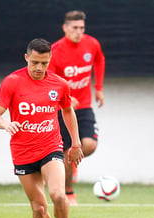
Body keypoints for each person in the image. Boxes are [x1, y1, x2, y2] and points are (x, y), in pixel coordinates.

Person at [0, 38, 83, 218]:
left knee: (59, 195)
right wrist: (6, 124)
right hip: (22, 152)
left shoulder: (59, 84)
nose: (39, 68)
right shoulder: (12, 82)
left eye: (44, 63)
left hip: (51, 147)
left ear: (50, 60)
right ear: (26, 58)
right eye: (35, 63)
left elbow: (68, 112)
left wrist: (76, 143)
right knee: (39, 208)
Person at [48, 10, 106, 205]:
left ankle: (73, 164)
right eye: (74, 28)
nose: (78, 32)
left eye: (82, 28)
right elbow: (50, 82)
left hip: (84, 106)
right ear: (65, 28)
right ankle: (69, 192)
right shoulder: (55, 51)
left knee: (89, 144)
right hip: (63, 109)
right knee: (66, 152)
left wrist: (98, 88)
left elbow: (99, 61)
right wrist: (64, 99)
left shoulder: (92, 44)